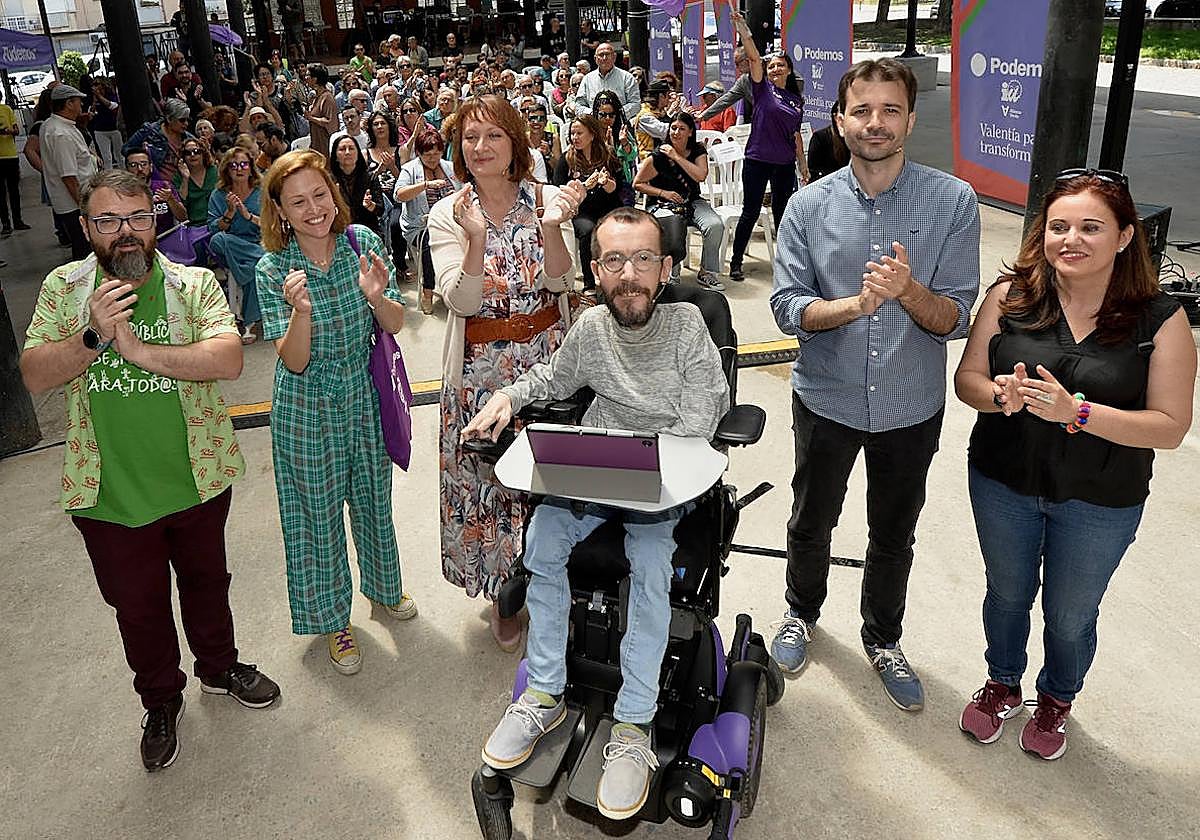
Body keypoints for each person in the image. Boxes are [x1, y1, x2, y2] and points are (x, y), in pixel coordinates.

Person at [468, 207, 729, 820]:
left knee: (648, 562)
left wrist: (648, 465)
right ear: (596, 268)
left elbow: (701, 422)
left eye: (643, 259)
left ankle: (634, 727)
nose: (629, 275)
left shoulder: (689, 326)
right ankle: (545, 691)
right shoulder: (589, 327)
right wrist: (506, 397)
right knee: (544, 541)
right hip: (597, 470)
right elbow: (552, 378)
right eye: (614, 261)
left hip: (663, 479)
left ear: (666, 268)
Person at [19, 169, 281, 772]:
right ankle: (161, 700)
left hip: (198, 474)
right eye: (108, 220)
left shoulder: (192, 285)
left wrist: (137, 350)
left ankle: (218, 666)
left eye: (137, 217)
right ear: (86, 227)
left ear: (155, 221)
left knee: (208, 582)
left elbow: (229, 358)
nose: (126, 232)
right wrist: (93, 338)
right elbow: (35, 374)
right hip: (109, 492)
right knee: (138, 608)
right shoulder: (65, 288)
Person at [953, 169, 1195, 759]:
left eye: (1091, 227)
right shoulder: (1010, 297)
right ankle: (1002, 684)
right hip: (1003, 481)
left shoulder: (1160, 321)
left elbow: (1169, 427)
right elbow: (968, 380)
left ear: (1124, 237)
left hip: (1100, 499)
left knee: (1069, 612)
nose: (1072, 239)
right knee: (1006, 594)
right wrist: (998, 397)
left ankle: (1056, 698)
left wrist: (1076, 413)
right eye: (1059, 226)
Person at [768, 58, 981, 712]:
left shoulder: (952, 201)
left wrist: (907, 292)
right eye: (861, 110)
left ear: (910, 120)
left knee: (894, 532)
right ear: (840, 119)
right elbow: (787, 306)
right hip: (825, 398)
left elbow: (955, 317)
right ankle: (800, 612)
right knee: (812, 520)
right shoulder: (807, 206)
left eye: (890, 110)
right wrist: (855, 307)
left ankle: (883, 638)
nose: (875, 122)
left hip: (908, 407)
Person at [427, 94, 586, 650]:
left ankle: (558, 587)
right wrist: (473, 240)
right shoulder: (446, 214)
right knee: (493, 488)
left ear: (515, 142)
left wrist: (551, 226)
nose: (480, 147)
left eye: (493, 135)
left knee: (552, 484)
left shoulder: (546, 198)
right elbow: (462, 301)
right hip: (480, 373)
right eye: (470, 138)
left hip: (546, 361)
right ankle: (505, 597)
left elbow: (563, 281)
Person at [255, 149, 416, 674]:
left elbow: (392, 323)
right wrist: (299, 311)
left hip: (363, 395)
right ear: (279, 211)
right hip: (306, 407)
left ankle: (384, 588)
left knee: (373, 498)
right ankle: (334, 621)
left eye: (319, 195)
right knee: (316, 517)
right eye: (297, 202)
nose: (313, 209)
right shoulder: (274, 268)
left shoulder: (362, 243)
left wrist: (376, 297)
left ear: (334, 194)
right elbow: (294, 360)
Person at [726, 10, 809, 283]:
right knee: (750, 211)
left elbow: (795, 136)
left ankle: (786, 265)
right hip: (757, 159)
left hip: (784, 163)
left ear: (788, 69)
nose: (775, 69)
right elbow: (751, 56)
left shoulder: (796, 99)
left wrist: (803, 166)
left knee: (782, 215)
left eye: (779, 65)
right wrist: (743, 29)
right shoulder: (762, 88)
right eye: (771, 65)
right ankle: (736, 261)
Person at [632, 112, 724, 291]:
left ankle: (707, 272)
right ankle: (672, 276)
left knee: (715, 225)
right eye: (673, 128)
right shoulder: (658, 156)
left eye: (682, 129)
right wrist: (663, 192)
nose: (676, 132)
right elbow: (638, 184)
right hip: (662, 204)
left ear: (690, 132)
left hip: (691, 201)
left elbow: (700, 175)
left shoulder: (697, 150)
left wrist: (676, 157)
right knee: (673, 226)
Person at [554, 114, 626, 293]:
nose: (575, 138)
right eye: (572, 133)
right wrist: (586, 186)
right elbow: (559, 192)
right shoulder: (567, 160)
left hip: (607, 207)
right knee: (588, 230)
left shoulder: (607, 155)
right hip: (580, 211)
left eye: (579, 133)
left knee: (619, 228)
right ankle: (589, 283)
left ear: (592, 135)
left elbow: (616, 189)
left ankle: (619, 277)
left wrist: (606, 182)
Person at [395, 129, 460, 314]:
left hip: (451, 222)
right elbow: (399, 195)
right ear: (419, 153)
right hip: (421, 226)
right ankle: (428, 291)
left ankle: (459, 286)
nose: (432, 159)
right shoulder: (410, 169)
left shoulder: (450, 167)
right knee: (430, 241)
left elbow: (466, 191)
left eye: (436, 154)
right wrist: (425, 185)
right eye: (427, 155)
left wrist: (454, 197)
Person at [207, 147, 264, 344]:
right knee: (218, 240)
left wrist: (248, 216)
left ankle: (247, 323)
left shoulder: (261, 191)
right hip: (230, 245)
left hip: (257, 242)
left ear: (250, 168)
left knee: (253, 268)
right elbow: (214, 228)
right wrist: (230, 213)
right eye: (233, 165)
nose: (239, 169)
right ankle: (250, 319)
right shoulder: (218, 194)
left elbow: (272, 223)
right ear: (227, 170)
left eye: (243, 164)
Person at [41, 84, 98, 259]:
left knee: (84, 247)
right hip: (74, 204)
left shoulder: (56, 125)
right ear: (69, 103)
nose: (81, 106)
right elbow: (68, 176)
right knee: (84, 251)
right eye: (78, 102)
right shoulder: (60, 133)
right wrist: (84, 206)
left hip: (75, 200)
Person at [329, 135, 384, 231]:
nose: (347, 152)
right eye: (342, 149)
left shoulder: (370, 177)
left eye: (351, 148)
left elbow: (380, 210)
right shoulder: (330, 180)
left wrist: (371, 205)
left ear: (358, 153)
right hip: (340, 229)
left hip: (367, 229)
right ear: (335, 156)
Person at [574, 42, 640, 120]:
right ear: (595, 59)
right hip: (595, 127)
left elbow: (636, 104)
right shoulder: (587, 79)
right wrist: (594, 114)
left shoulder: (627, 78)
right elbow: (579, 106)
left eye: (608, 54)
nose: (604, 58)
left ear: (614, 57)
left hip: (621, 126)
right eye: (601, 55)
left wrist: (615, 114)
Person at [125, 149, 185, 234]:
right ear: (127, 170)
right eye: (133, 165)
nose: (140, 169)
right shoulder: (123, 193)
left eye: (144, 164)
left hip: (167, 237)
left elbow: (183, 217)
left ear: (151, 167)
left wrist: (171, 200)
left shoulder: (164, 186)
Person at [593, 90, 639, 197]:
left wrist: (624, 143)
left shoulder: (622, 132)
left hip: (621, 183)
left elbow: (632, 156)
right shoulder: (590, 133)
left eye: (611, 115)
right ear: (596, 114)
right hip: (596, 181)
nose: (607, 119)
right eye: (603, 115)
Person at [694, 49, 756, 126]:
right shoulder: (743, 81)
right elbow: (726, 99)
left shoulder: (769, 74)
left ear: (747, 61)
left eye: (737, 63)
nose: (736, 67)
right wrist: (703, 116)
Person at [0, 89, 29, 234]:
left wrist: (9, 131)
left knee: (13, 190)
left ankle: (17, 220)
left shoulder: (7, 109)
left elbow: (17, 131)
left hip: (10, 155)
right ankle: (5, 223)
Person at [807, 102, 850, 182]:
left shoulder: (854, 139)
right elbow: (814, 169)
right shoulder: (820, 137)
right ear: (835, 117)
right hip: (826, 185)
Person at [632, 80, 675, 158]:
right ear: (661, 96)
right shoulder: (645, 116)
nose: (670, 99)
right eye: (668, 96)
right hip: (647, 160)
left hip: (659, 158)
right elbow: (664, 131)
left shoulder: (659, 111)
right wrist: (683, 124)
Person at [304, 64, 338, 160]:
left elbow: (331, 122)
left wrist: (311, 118)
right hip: (316, 143)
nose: (305, 78)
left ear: (315, 79)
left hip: (325, 144)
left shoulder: (327, 98)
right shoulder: (316, 97)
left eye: (308, 75)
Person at [520, 98, 561, 178]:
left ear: (545, 122)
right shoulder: (522, 139)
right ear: (527, 122)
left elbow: (558, 169)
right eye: (532, 119)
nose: (536, 122)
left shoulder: (553, 138)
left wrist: (548, 155)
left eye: (540, 119)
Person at [89, 79, 123, 170]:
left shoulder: (111, 95)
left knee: (119, 155)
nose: (95, 86)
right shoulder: (94, 98)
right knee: (106, 157)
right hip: (100, 130)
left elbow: (113, 106)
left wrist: (99, 96)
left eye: (97, 84)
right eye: (93, 84)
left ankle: (123, 174)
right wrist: (94, 100)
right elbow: (92, 113)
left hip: (114, 129)